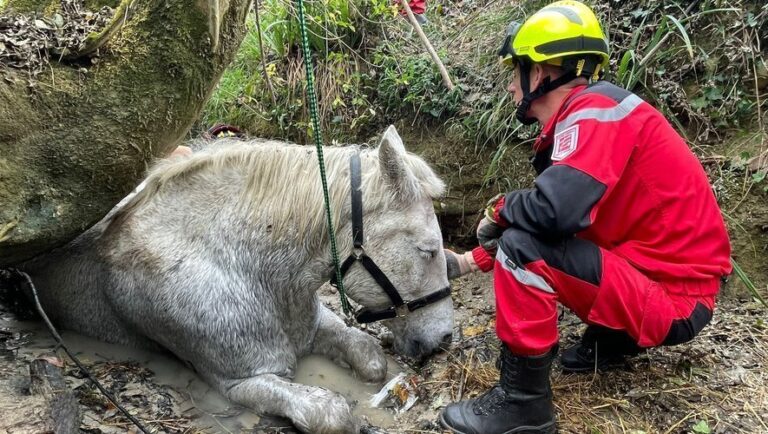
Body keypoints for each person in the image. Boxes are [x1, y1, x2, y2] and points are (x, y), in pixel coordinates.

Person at [439, 1, 732, 433]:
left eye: (513, 73)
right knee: (531, 236)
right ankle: (611, 342)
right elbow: (567, 223)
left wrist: (499, 209)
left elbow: (551, 217)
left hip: (673, 302)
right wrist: (468, 262)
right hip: (668, 284)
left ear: (538, 73)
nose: (509, 88)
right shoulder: (598, 115)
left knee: (523, 250)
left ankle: (524, 407)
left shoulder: (592, 113)